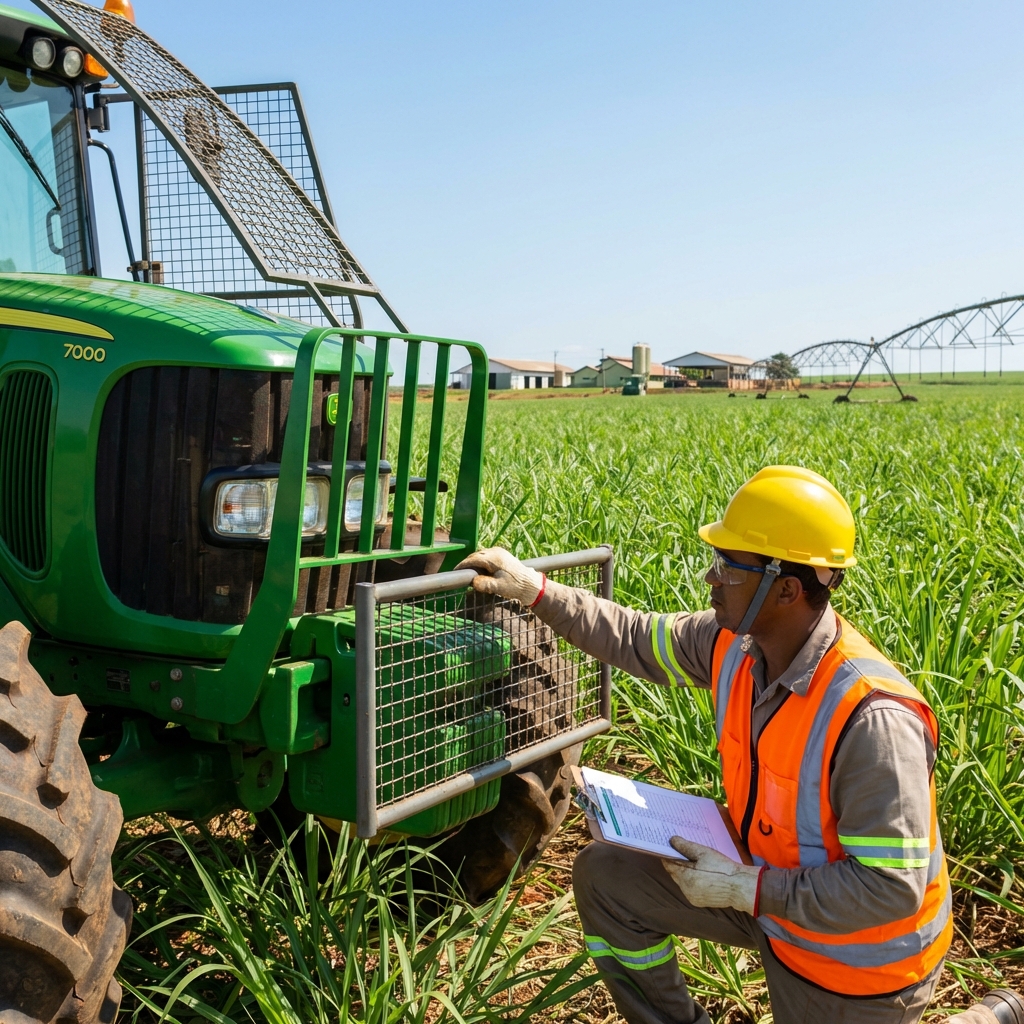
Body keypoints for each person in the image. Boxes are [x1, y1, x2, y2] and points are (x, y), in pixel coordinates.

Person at [458, 466, 1023, 1024]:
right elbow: (631, 635)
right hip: (766, 888)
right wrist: (538, 591)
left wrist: (750, 888)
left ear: (785, 588)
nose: (710, 576)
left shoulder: (872, 719)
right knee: (609, 879)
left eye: (729, 566)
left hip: (854, 964)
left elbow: (887, 890)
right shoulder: (733, 642)